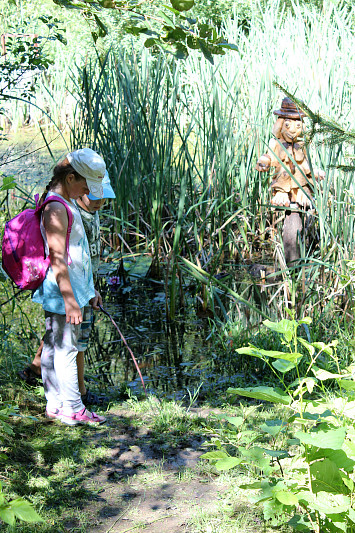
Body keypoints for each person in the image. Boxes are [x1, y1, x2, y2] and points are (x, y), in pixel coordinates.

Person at [19, 172, 116, 407]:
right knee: (71, 342)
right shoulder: (66, 211)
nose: (99, 203)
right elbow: (59, 256)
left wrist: (91, 288)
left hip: (83, 285)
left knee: (60, 336)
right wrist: (75, 295)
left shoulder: (89, 214)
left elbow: (87, 257)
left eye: (104, 200)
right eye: (94, 197)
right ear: (80, 191)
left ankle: (37, 372)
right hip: (70, 288)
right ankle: (76, 396)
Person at [31, 147, 107, 425]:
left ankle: (55, 404)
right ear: (72, 177)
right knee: (67, 348)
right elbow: (58, 257)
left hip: (72, 289)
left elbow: (78, 254)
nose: (89, 190)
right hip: (63, 292)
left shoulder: (66, 202)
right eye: (86, 184)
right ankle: (73, 407)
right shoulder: (55, 207)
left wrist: (89, 290)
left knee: (53, 345)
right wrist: (71, 299)